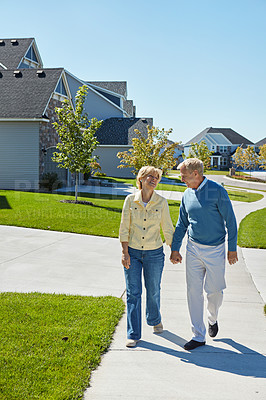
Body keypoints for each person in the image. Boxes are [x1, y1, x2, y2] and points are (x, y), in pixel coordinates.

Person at [170, 158, 238, 351]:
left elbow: (231, 222)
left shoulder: (218, 191)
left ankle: (212, 318)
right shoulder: (187, 194)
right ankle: (198, 335)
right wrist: (175, 248)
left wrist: (231, 249)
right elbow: (182, 223)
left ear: (195, 174)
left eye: (183, 175)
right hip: (193, 248)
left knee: (214, 292)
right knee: (193, 291)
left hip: (216, 250)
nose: (181, 179)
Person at [119, 166, 174, 348]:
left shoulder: (162, 202)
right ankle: (133, 333)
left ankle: (155, 319)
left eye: (157, 177)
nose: (154, 179)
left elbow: (167, 228)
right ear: (141, 178)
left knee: (153, 290)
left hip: (154, 253)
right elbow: (124, 227)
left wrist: (174, 250)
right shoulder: (130, 200)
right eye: (150, 176)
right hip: (133, 253)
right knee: (133, 293)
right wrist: (124, 252)